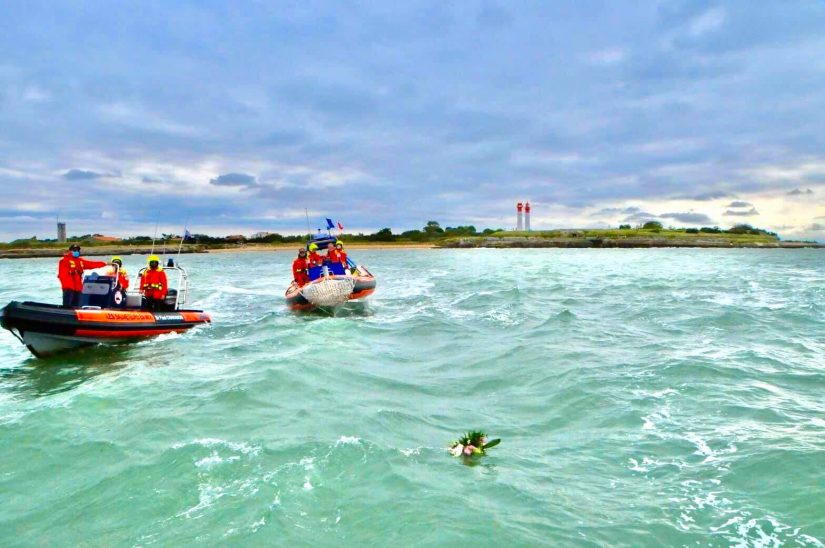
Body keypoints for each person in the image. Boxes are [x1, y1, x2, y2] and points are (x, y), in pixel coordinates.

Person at [57, 244, 107, 308]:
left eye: (77, 250)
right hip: (69, 287)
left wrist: (104, 264)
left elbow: (92, 264)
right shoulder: (64, 261)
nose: (76, 252)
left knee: (76, 305)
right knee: (68, 305)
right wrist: (67, 286)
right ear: (70, 251)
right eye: (74, 250)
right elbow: (62, 275)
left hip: (78, 287)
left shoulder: (80, 261)